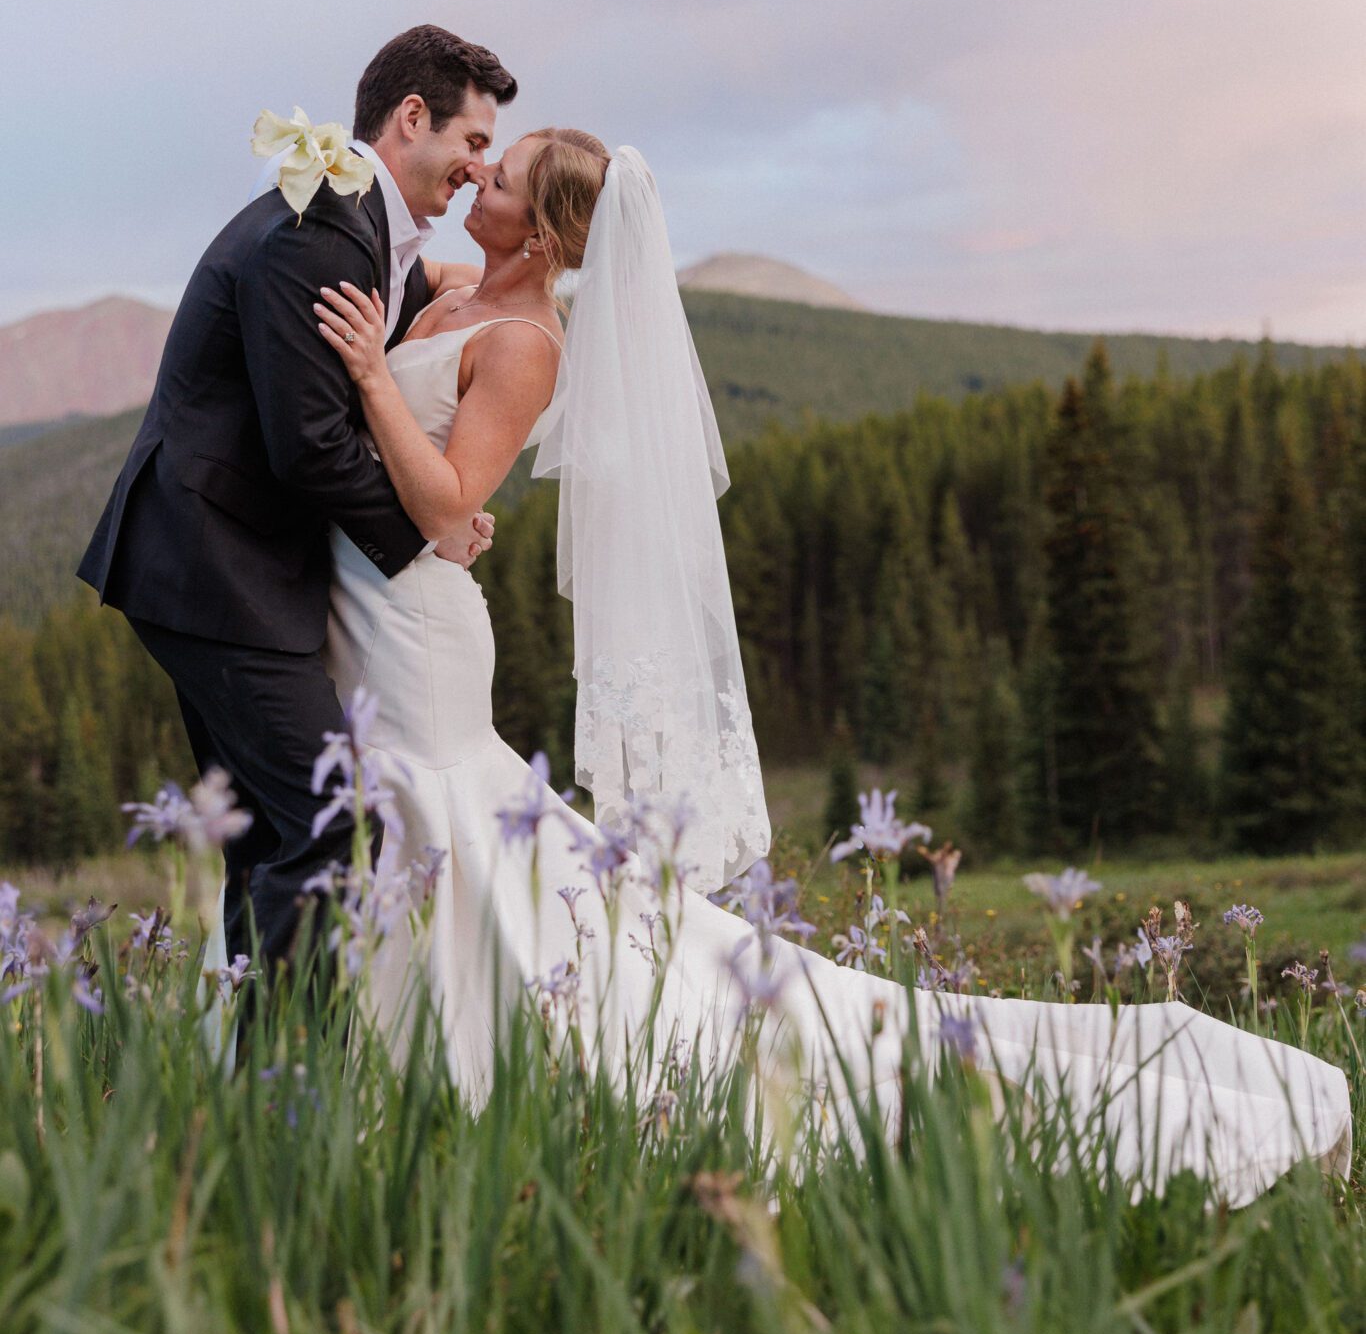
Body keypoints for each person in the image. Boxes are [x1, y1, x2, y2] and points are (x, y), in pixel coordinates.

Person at [309, 134, 1351, 1206]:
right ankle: (406, 1053)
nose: (478, 174)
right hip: (369, 609)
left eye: (505, 174)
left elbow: (444, 504)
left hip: (420, 629)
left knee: (439, 818)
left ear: (538, 228)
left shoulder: (528, 340)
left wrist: (373, 377)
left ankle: (450, 1069)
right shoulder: (447, 283)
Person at [77, 24, 516, 977]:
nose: (480, 170)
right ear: (412, 118)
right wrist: (432, 532)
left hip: (218, 563)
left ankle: (255, 1084)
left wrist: (483, 290)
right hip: (214, 568)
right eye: (473, 142)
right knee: (328, 822)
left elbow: (360, 344)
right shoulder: (323, 230)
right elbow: (311, 446)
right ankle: (292, 1089)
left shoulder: (353, 221)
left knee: (272, 835)